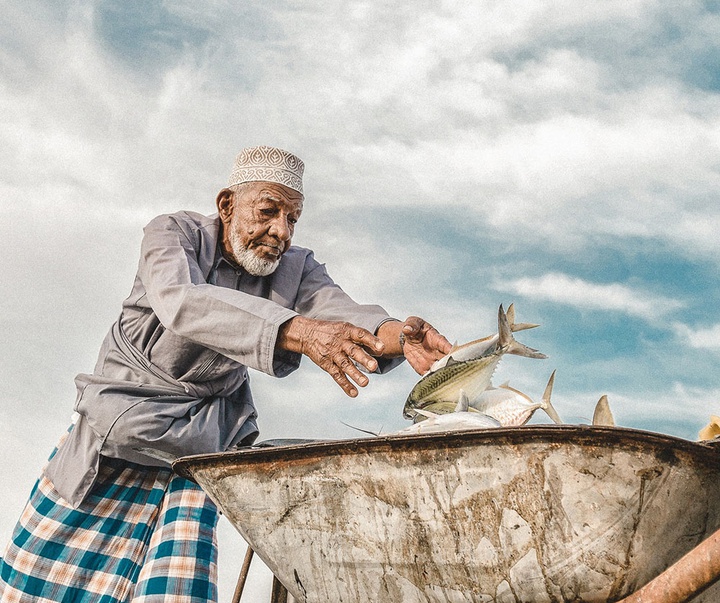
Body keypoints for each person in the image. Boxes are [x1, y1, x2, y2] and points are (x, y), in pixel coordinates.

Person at [0, 145, 451, 602]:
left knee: (174, 592)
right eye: (269, 211)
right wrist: (300, 331)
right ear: (227, 204)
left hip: (194, 453)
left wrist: (396, 332)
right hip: (117, 436)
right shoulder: (173, 233)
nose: (281, 232)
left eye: (292, 219)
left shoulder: (298, 269)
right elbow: (182, 300)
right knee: (34, 588)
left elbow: (342, 313)